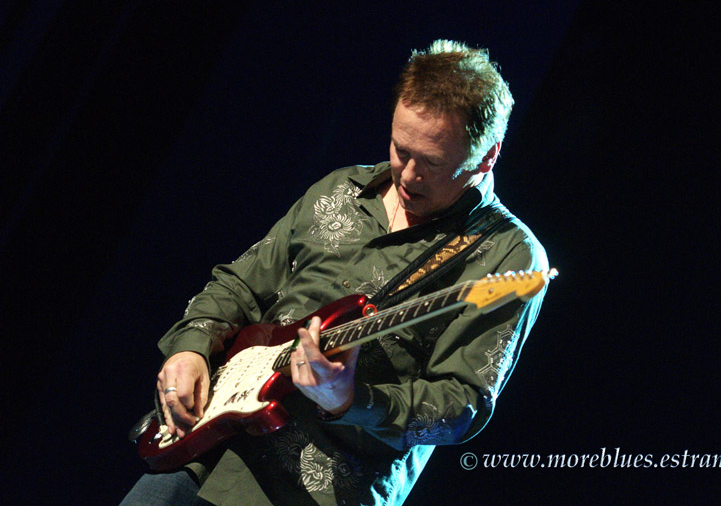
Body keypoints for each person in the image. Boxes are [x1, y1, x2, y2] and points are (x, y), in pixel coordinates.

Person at [123, 39, 549, 505]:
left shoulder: (509, 255)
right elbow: (239, 285)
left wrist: (350, 400)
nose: (408, 175)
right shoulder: (340, 188)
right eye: (400, 149)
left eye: (432, 163)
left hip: (312, 490)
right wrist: (190, 349)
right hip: (204, 450)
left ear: (487, 157)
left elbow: (461, 405)